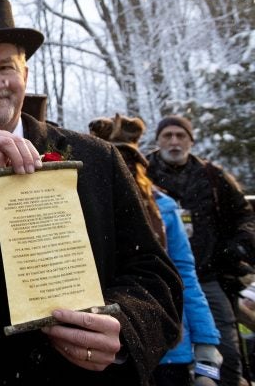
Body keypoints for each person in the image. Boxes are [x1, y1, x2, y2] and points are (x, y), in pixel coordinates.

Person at [0, 0, 183, 385]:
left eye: (6, 66)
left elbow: (155, 275)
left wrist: (123, 326)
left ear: (24, 74)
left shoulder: (96, 157)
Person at [92, 114, 222, 386]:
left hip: (170, 348)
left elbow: (184, 276)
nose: (122, 170)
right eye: (114, 162)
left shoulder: (163, 208)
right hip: (112, 347)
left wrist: (207, 344)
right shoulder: (88, 211)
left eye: (128, 161)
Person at [148, 115, 255, 386]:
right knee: (166, 357)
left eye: (180, 135)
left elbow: (245, 216)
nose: (174, 141)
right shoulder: (143, 174)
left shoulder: (213, 175)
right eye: (167, 135)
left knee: (227, 353)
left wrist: (237, 247)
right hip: (160, 280)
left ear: (191, 140)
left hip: (207, 275)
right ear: (157, 140)